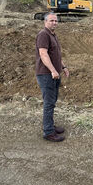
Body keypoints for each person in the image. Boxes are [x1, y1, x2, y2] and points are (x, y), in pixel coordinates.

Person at [35, 12, 69, 142]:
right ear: (45, 22)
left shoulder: (53, 35)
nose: (54, 23)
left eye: (56, 21)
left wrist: (63, 67)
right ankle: (48, 132)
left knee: (52, 101)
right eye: (51, 21)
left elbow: (56, 55)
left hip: (54, 74)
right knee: (49, 103)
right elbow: (43, 54)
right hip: (46, 74)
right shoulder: (43, 34)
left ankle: (50, 125)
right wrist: (53, 70)